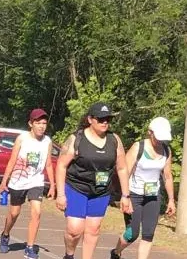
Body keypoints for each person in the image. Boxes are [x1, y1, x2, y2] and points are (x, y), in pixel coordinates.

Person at [55, 102, 132, 259]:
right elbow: (61, 166)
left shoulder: (114, 140)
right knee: (74, 229)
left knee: (93, 229)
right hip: (77, 188)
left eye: (108, 119)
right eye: (101, 119)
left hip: (101, 191)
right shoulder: (76, 138)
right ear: (90, 119)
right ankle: (69, 255)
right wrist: (61, 194)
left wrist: (125, 195)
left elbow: (122, 168)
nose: (105, 122)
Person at [110, 117, 176, 259]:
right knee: (132, 234)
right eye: (158, 138)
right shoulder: (138, 147)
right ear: (150, 133)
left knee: (148, 234)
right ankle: (116, 252)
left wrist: (171, 200)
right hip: (134, 194)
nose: (160, 141)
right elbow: (125, 172)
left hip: (153, 196)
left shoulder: (166, 151)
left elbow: (168, 176)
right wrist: (125, 196)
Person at [0, 108, 56, 258]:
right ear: (31, 124)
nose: (42, 126)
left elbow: (49, 164)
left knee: (37, 212)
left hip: (36, 181)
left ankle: (29, 247)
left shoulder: (47, 141)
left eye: (44, 123)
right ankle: (5, 234)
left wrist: (53, 185)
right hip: (18, 181)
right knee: (14, 213)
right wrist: (4, 181)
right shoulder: (22, 138)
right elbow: (12, 160)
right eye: (38, 123)